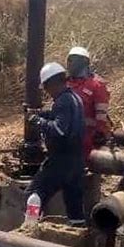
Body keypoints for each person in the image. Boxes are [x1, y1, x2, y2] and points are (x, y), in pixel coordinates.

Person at [26, 62, 86, 227]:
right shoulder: (75, 98)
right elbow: (62, 117)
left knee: (34, 193)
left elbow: (59, 130)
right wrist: (44, 114)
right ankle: (79, 240)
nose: (46, 91)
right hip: (77, 161)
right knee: (74, 206)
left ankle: (29, 232)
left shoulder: (63, 101)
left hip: (60, 161)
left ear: (53, 83)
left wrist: (38, 121)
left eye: (46, 87)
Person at [67, 47, 111, 164]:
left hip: (88, 138)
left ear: (84, 62)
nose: (70, 64)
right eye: (69, 60)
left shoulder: (96, 85)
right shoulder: (66, 83)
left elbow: (101, 116)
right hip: (67, 135)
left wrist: (98, 134)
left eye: (74, 60)